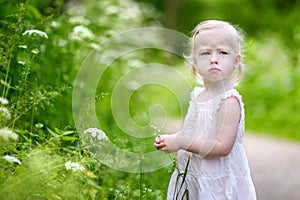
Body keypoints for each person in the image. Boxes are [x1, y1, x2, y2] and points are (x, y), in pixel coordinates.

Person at [154, 20, 256, 199]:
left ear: (236, 60)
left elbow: (222, 147)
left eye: (223, 52)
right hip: (195, 173)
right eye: (205, 53)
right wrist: (173, 140)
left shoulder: (228, 101)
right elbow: (193, 131)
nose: (214, 59)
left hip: (217, 180)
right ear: (195, 62)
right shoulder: (198, 95)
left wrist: (181, 142)